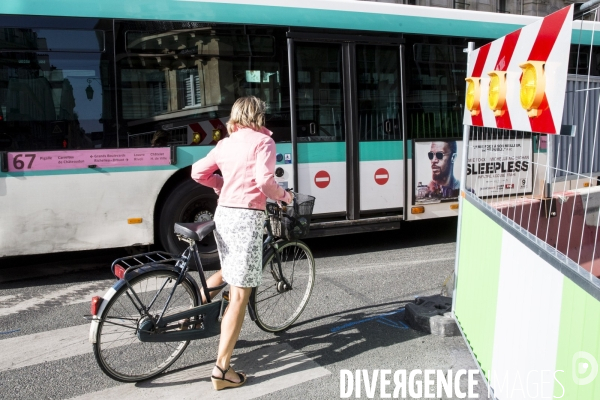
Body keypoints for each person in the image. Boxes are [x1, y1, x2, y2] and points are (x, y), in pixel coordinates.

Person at [190, 96, 293, 391]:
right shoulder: (264, 143)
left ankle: (195, 310)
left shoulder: (226, 143)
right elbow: (264, 181)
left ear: (236, 116)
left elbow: (198, 172)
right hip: (247, 219)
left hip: (223, 216)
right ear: (259, 116)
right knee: (239, 295)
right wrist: (284, 197)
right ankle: (222, 369)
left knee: (228, 270)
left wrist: (220, 185)